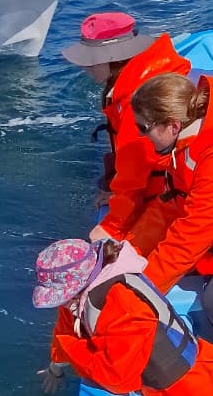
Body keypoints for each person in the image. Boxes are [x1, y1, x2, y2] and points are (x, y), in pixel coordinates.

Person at [33, 237, 213, 396]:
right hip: (165, 386)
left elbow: (117, 378)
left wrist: (70, 347)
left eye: (61, 297)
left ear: (77, 288)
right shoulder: (85, 289)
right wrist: (55, 368)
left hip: (190, 389)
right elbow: (65, 328)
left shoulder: (124, 305)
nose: (62, 303)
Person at [60, 13, 191, 252]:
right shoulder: (143, 75)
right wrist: (113, 185)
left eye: (91, 60)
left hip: (169, 191)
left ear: (114, 58)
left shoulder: (138, 102)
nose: (85, 67)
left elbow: (135, 172)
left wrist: (113, 227)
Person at [128, 73, 213, 326]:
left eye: (143, 128)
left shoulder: (209, 158)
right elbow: (172, 202)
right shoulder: (187, 144)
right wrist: (128, 250)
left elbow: (192, 235)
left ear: (173, 126)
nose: (142, 135)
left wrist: (140, 290)